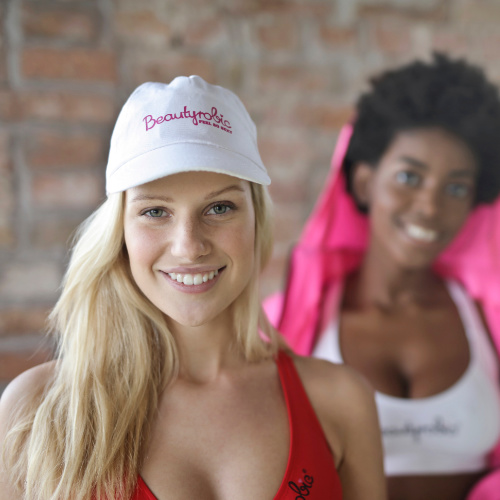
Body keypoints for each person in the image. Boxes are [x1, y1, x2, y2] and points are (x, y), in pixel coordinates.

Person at [0, 76, 385, 500]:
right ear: (119, 231)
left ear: (256, 221)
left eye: (219, 207)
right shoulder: (35, 411)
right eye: (155, 211)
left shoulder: (340, 402)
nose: (189, 246)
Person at [265, 53, 500, 500]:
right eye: (409, 177)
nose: (430, 207)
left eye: (455, 187)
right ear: (364, 182)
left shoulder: (490, 321)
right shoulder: (285, 326)